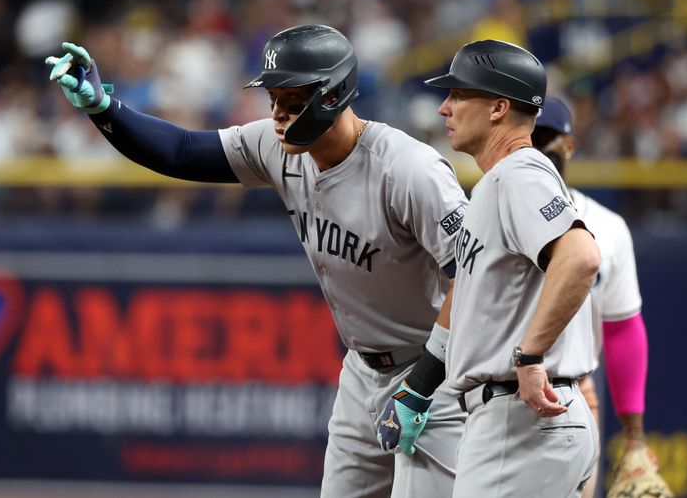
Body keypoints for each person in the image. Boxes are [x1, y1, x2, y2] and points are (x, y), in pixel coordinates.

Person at [45, 25, 467, 498]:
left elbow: (472, 276)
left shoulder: (409, 170)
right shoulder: (277, 145)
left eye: (292, 100)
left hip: (434, 377)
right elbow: (182, 151)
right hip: (362, 372)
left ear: (332, 95)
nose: (279, 115)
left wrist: (423, 385)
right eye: (273, 99)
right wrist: (105, 110)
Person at [425, 39, 601, 497]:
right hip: (528, 422)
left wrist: (530, 356)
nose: (445, 108)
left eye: (459, 95)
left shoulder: (519, 172)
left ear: (499, 107)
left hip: (519, 421)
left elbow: (581, 256)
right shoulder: (503, 180)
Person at [532, 97, 674, 498]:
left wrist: (635, 436)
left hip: (573, 391)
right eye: (530, 136)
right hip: (493, 390)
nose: (539, 147)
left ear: (570, 146)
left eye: (548, 138)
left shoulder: (608, 229)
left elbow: (622, 330)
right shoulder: (484, 211)